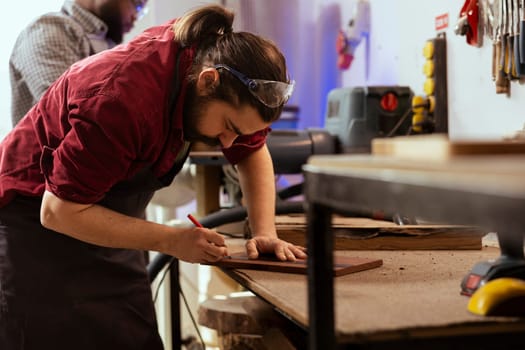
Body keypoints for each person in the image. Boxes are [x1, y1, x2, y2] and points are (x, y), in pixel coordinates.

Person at [0, 3, 306, 349]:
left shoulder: (219, 67)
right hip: (35, 225)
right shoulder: (121, 98)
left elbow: (251, 151)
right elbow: (58, 211)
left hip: (100, 214)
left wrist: (265, 232)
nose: (228, 144)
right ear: (207, 82)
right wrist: (171, 240)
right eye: (228, 127)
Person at [9, 0, 148, 126]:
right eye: (137, 5)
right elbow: (69, 116)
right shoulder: (51, 30)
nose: (135, 17)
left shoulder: (104, 43)